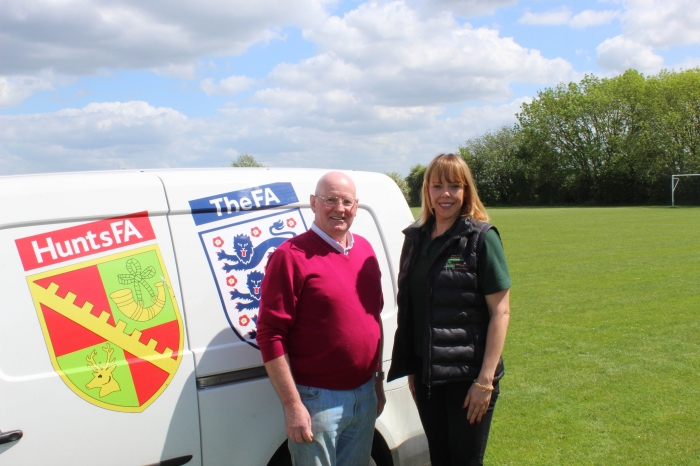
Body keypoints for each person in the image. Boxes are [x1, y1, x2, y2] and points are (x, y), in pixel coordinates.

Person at [388, 153, 511, 466]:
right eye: (437, 185)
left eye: (454, 186)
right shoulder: (415, 239)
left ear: (466, 191)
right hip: (428, 376)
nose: (445, 194)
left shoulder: (481, 238)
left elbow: (501, 312)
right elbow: (412, 310)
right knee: (440, 460)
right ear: (427, 190)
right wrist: (413, 369)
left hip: (467, 378)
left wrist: (485, 382)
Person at [257, 171, 386, 466]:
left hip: (365, 394)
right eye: (330, 200)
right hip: (317, 402)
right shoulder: (290, 256)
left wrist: (377, 381)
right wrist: (293, 406)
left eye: (346, 201)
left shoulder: (365, 250)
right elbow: (270, 334)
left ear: (356, 206)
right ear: (313, 203)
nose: (339, 208)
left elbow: (373, 319)